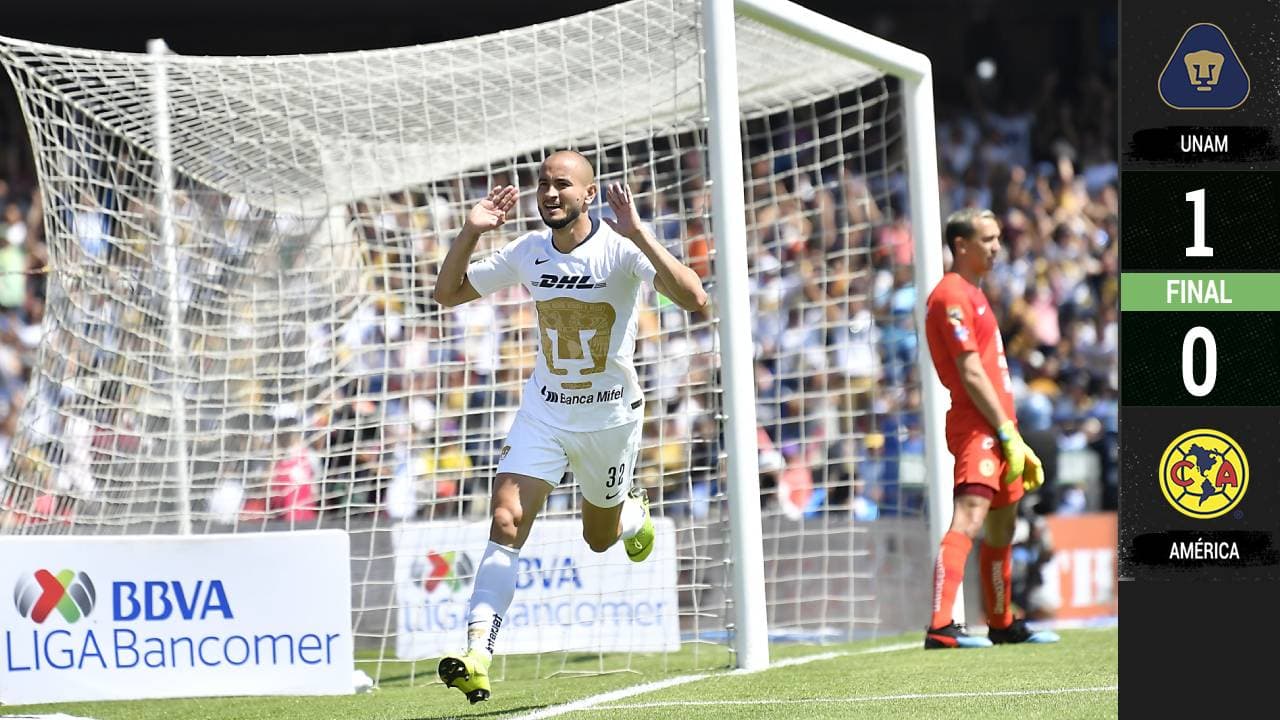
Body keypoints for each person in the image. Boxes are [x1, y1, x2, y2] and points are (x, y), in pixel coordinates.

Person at [431, 150, 708, 703]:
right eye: (543, 185)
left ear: (588, 193)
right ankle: (477, 653)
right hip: (545, 413)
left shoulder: (620, 250)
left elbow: (695, 298)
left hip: (609, 420)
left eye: (563, 185)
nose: (550, 194)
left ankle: (629, 510)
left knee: (598, 538)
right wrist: (470, 230)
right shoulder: (527, 251)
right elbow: (447, 293)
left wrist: (639, 231)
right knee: (506, 518)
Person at [922, 208, 1060, 649]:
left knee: (1003, 526)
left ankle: (1000, 623)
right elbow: (971, 372)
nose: (997, 247)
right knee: (970, 516)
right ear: (961, 245)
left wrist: (1011, 432)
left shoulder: (976, 294)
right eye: (987, 239)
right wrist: (1003, 430)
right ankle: (941, 625)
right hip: (978, 425)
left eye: (998, 238)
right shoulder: (950, 295)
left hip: (1002, 426)